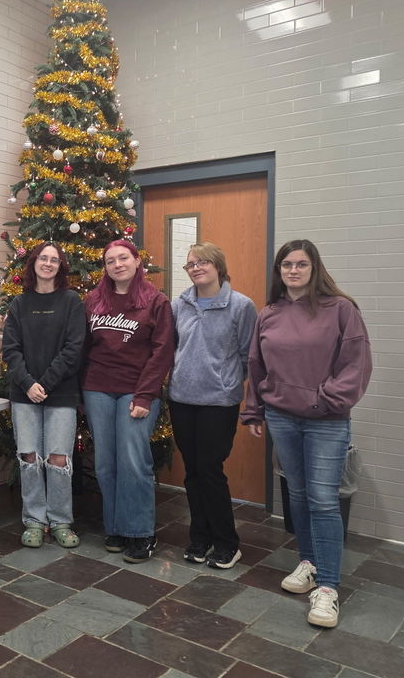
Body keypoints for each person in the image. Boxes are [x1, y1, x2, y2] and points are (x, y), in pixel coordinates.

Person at [242, 239, 371, 628]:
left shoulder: (342, 310)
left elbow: (356, 366)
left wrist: (324, 400)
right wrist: (254, 410)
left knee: (324, 500)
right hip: (282, 418)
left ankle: (329, 588)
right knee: (296, 493)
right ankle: (310, 563)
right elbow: (256, 365)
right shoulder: (269, 313)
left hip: (327, 421)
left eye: (300, 264)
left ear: (314, 268)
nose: (293, 271)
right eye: (286, 265)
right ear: (279, 271)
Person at [83, 239, 175, 563]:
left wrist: (146, 395)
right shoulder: (93, 300)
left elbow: (162, 352)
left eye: (123, 258)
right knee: (106, 463)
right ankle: (116, 527)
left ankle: (140, 533)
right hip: (97, 389)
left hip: (136, 392)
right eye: (110, 261)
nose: (117, 264)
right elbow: (83, 347)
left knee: (134, 462)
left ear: (137, 262)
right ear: (105, 267)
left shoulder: (156, 301)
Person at [168, 242, 257, 570]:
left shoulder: (241, 306)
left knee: (210, 470)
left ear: (218, 266)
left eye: (203, 262)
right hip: (181, 400)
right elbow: (174, 348)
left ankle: (227, 543)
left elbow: (250, 355)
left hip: (218, 403)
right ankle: (200, 538)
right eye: (190, 264)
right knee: (192, 472)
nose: (196, 267)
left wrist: (227, 381)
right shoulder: (179, 305)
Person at [2, 242, 86, 549]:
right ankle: (35, 520)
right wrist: (27, 384)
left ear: (60, 266)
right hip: (24, 394)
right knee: (28, 456)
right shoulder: (19, 304)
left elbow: (73, 349)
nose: (48, 263)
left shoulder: (71, 302)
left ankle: (61, 520)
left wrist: (46, 384)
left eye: (54, 259)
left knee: (58, 458)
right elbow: (10, 350)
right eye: (43, 258)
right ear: (34, 263)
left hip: (60, 393)